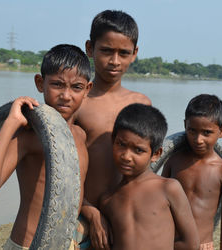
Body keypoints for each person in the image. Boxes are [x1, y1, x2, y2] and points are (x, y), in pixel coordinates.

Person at [0, 44, 93, 249]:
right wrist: (11, 123)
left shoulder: (80, 136)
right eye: (57, 84)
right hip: (27, 244)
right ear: (40, 83)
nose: (66, 95)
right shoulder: (29, 136)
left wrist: (93, 214)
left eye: (76, 87)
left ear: (87, 89)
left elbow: (71, 193)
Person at [75, 9, 151, 249]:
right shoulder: (76, 102)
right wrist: (90, 212)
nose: (114, 61)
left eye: (123, 53)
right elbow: (57, 169)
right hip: (82, 214)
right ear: (90, 48)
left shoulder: (142, 104)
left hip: (127, 215)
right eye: (106, 50)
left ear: (135, 54)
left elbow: (146, 167)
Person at [99, 103, 199, 250]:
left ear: (156, 154)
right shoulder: (108, 199)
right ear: (113, 141)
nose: (126, 156)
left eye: (138, 150)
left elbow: (191, 243)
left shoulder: (168, 188)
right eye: (121, 144)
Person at [162, 94, 222, 250]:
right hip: (170, 244)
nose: (198, 139)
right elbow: (160, 203)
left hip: (202, 246)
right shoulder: (173, 161)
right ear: (185, 126)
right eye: (192, 131)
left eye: (207, 133)